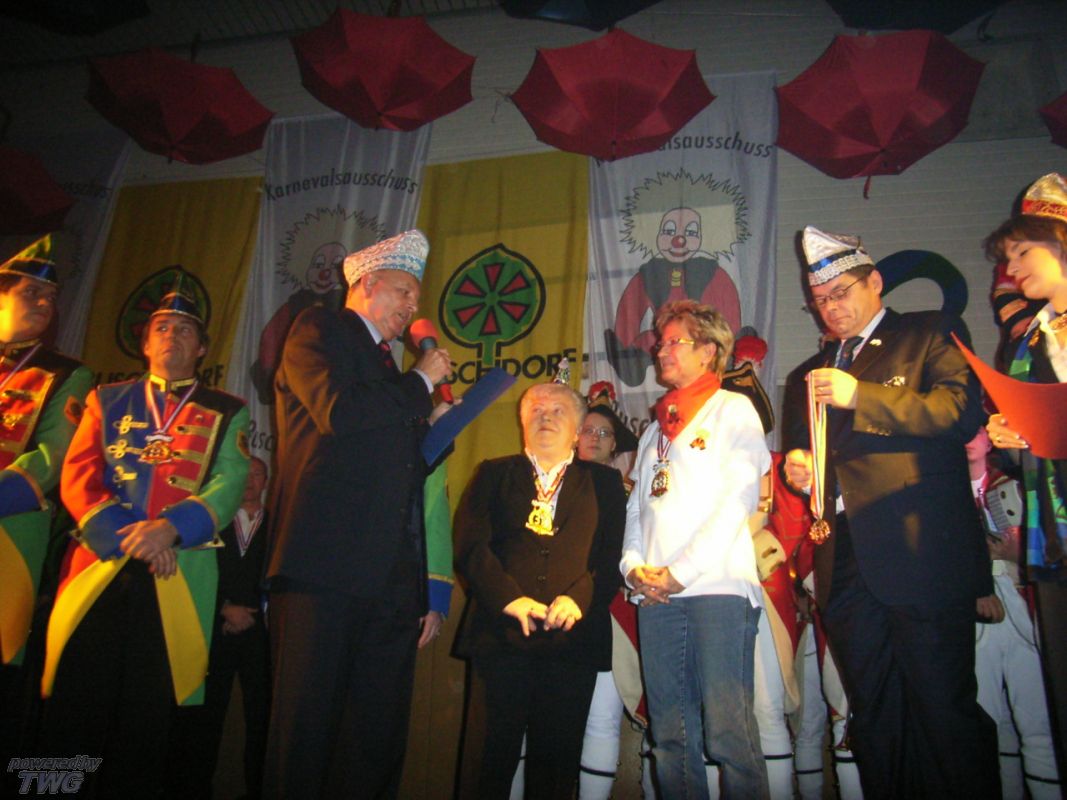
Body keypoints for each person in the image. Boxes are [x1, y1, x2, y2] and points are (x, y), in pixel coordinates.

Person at [781, 225, 999, 799]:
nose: (831, 308)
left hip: (919, 551)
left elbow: (959, 413)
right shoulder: (808, 373)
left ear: (875, 282)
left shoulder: (928, 333)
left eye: (841, 293)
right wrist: (802, 468)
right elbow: (814, 455)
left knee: (942, 709)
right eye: (819, 300)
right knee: (873, 714)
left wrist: (861, 395)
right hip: (844, 560)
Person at [264, 229, 453, 798]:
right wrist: (421, 381)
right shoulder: (319, 330)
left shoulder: (391, 372)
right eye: (403, 291)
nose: (411, 307)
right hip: (325, 567)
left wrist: (437, 429)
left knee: (375, 735)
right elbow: (339, 413)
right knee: (307, 727)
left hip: (389, 576)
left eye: (416, 297)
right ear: (367, 284)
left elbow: (400, 469)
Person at [39, 291, 250, 799]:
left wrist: (169, 530)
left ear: (202, 348)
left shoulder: (228, 410)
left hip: (175, 573)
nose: (172, 335)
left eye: (185, 329)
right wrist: (135, 538)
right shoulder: (106, 399)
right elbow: (79, 474)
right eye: (162, 328)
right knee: (73, 705)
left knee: (148, 718)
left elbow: (228, 484)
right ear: (145, 343)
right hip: (100, 567)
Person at [621, 299, 770, 799]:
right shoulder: (654, 430)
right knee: (670, 738)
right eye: (659, 343)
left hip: (717, 589)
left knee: (729, 734)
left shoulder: (734, 409)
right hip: (656, 597)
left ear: (708, 351)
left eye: (674, 342)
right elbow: (638, 508)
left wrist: (680, 572)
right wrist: (633, 567)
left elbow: (739, 499)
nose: (661, 351)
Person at [454, 382, 626, 799]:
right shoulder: (493, 473)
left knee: (555, 768)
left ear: (578, 429)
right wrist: (508, 598)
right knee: (488, 761)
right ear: (522, 422)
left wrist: (578, 599)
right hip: (501, 637)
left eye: (557, 410)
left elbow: (612, 556)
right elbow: (470, 545)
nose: (545, 417)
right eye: (536, 410)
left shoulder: (605, 483)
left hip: (573, 641)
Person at [984, 171, 1067, 779]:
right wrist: (1007, 437)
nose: (1012, 270)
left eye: (1023, 253)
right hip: (1053, 541)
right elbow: (1021, 454)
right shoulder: (1027, 341)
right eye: (1008, 259)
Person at [0, 237, 92, 770]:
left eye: (51, 297)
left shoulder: (66, 374)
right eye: (31, 292)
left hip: (10, 540)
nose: (43, 303)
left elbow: (52, 457)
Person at [167, 454, 273, 800]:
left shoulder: (278, 526)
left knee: (263, 721)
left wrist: (255, 615)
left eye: (257, 474)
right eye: (245, 474)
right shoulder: (214, 522)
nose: (250, 481)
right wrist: (225, 609)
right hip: (217, 632)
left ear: (266, 481)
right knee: (204, 719)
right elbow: (197, 571)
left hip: (262, 638)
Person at [967, 427, 1061, 799]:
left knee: (1038, 727)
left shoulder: (1016, 485)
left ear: (989, 439)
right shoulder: (939, 492)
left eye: (976, 432)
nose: (968, 440)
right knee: (985, 725)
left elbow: (1046, 548)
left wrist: (1014, 554)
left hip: (1022, 609)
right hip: (972, 618)